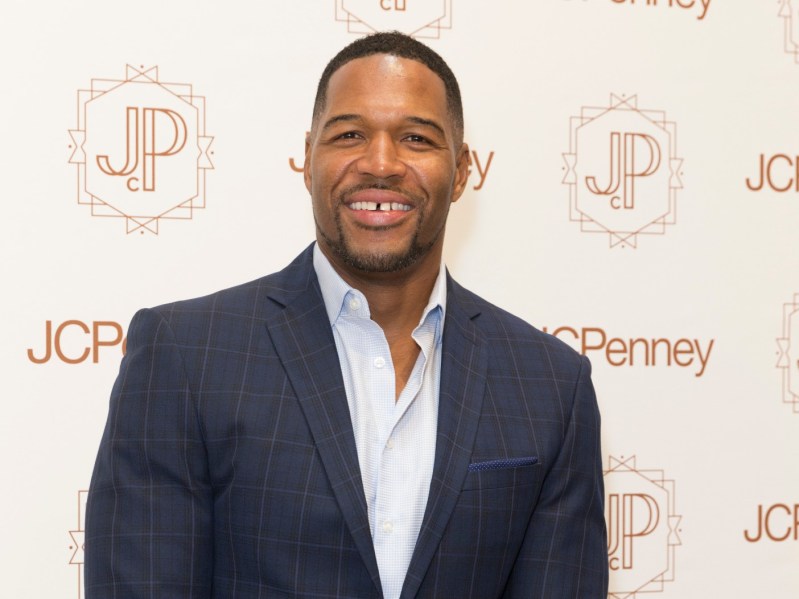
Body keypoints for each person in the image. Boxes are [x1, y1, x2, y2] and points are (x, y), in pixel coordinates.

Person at [85, 31, 608, 598]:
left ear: (461, 172)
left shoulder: (550, 385)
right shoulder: (186, 356)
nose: (381, 164)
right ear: (308, 160)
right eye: (350, 135)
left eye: (416, 138)